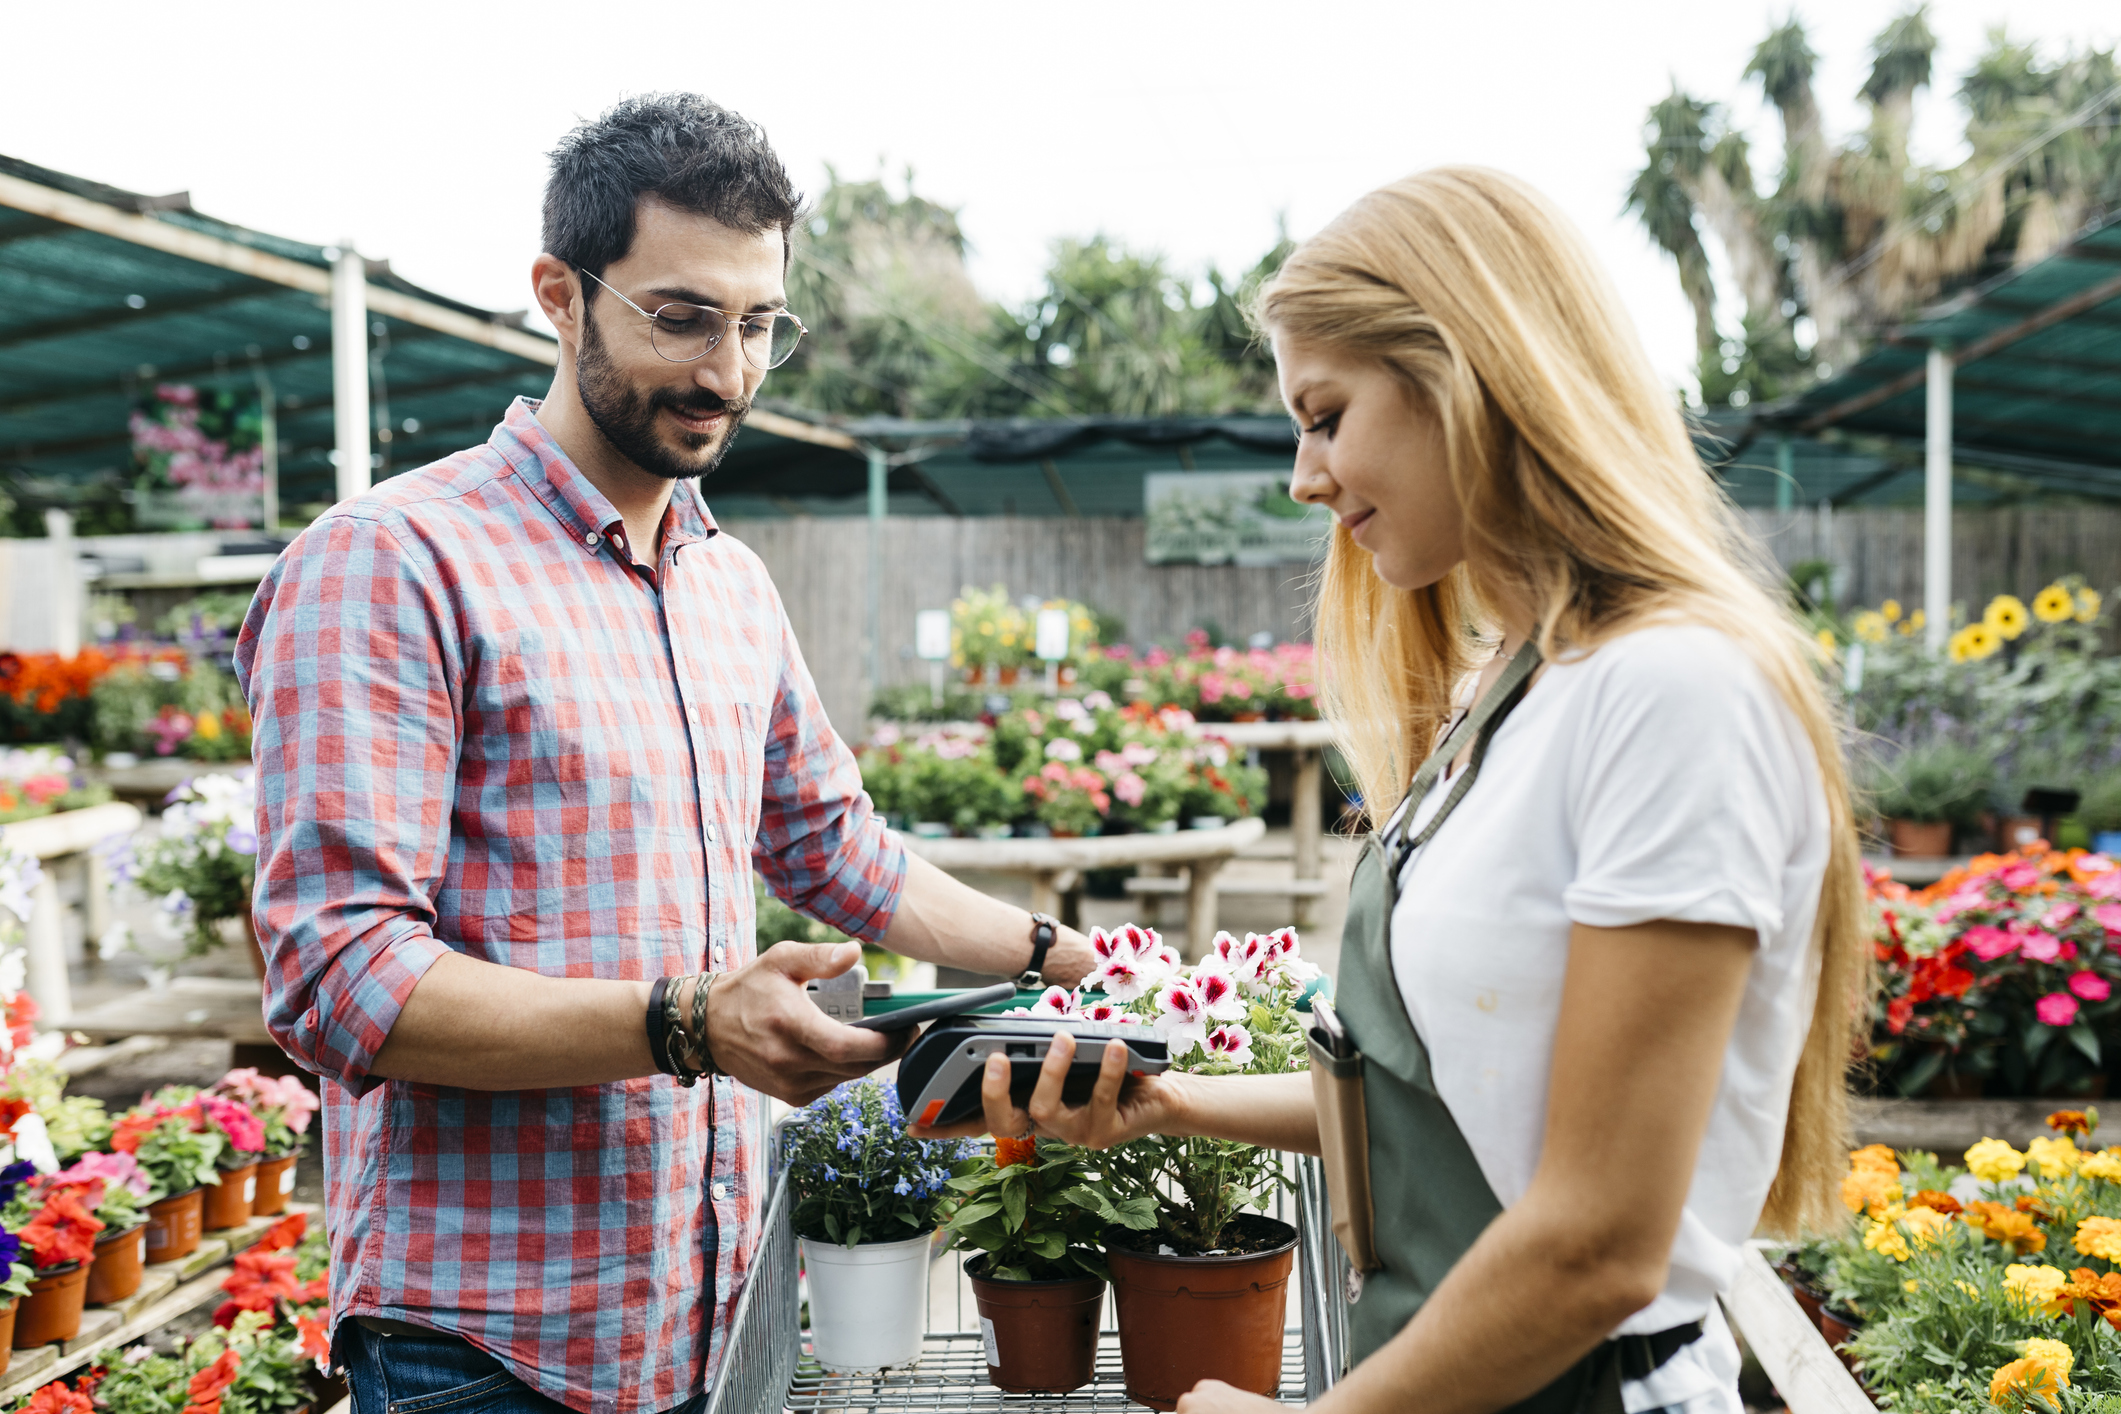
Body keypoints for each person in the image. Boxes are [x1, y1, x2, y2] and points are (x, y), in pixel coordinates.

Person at [914, 168, 1868, 1414]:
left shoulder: (1672, 690)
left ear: (1465, 374)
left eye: (1326, 413)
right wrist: (1165, 1103)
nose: (1307, 475)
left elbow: (1598, 1242)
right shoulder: (1514, 692)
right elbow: (1451, 1106)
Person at [234, 93, 1098, 1414]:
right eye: (681, 317)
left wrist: (1063, 957)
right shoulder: (393, 563)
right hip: (486, 1351)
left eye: (761, 326)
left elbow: (834, 848)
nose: (729, 373)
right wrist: (690, 1021)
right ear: (559, 296)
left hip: (711, 1317)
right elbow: (340, 979)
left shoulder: (729, 581)